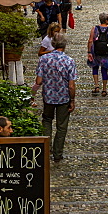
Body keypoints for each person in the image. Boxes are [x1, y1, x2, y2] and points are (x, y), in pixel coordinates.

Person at [35, 33, 77, 162]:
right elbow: (71, 85)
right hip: (63, 98)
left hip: (48, 96)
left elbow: (38, 80)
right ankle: (58, 154)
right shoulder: (69, 61)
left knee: (47, 120)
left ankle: (46, 150)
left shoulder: (44, 59)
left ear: (53, 44)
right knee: (61, 126)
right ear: (64, 45)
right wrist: (72, 100)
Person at [88, 12, 108, 97]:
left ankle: (96, 86)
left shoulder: (95, 28)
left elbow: (90, 41)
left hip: (95, 52)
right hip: (106, 53)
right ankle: (104, 89)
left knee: (95, 68)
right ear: (107, 21)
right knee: (104, 70)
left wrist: (89, 52)